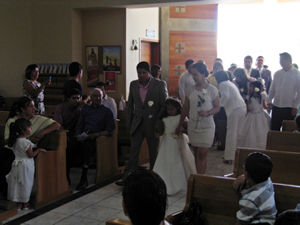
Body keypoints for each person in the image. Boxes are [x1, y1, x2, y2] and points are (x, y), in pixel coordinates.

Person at [115, 61, 168, 186]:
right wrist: (128, 124)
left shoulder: (159, 84)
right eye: (139, 73)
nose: (141, 75)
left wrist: (159, 122)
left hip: (153, 124)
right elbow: (130, 106)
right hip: (137, 123)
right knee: (133, 152)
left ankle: (154, 179)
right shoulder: (133, 84)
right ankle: (127, 178)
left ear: (149, 72)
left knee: (153, 153)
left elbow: (164, 105)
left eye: (144, 73)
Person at [0, 97, 60, 199]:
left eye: (34, 106)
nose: (34, 109)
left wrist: (42, 133)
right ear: (23, 109)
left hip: (24, 153)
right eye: (31, 106)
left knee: (5, 167)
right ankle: (6, 193)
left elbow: (57, 125)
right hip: (12, 149)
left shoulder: (37, 119)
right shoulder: (13, 120)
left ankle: (8, 196)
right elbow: (8, 141)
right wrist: (25, 139)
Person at [67, 88, 115, 190]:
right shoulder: (85, 110)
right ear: (91, 97)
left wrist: (96, 135)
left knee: (86, 147)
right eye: (95, 96)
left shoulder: (107, 111)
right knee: (71, 146)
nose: (98, 98)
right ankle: (66, 175)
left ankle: (84, 178)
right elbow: (79, 126)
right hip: (84, 135)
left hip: (97, 137)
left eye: (99, 96)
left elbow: (110, 130)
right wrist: (78, 135)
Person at [176, 62, 220, 174]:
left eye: (196, 74)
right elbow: (185, 107)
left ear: (204, 74)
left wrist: (208, 112)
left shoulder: (212, 90)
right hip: (193, 125)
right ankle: (197, 177)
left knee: (202, 154)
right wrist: (180, 124)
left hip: (207, 126)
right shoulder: (190, 89)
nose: (194, 77)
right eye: (193, 75)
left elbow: (217, 107)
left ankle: (200, 179)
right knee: (196, 154)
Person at [153, 97, 196, 195]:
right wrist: (159, 133)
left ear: (177, 108)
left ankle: (179, 184)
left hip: (177, 143)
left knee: (177, 161)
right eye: (168, 109)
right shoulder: (165, 118)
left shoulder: (181, 117)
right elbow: (163, 130)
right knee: (165, 161)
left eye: (172, 109)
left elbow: (187, 129)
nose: (170, 111)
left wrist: (182, 131)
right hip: (166, 142)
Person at [6, 118, 46, 210]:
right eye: (29, 127)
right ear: (24, 130)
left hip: (16, 164)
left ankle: (18, 203)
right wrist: (39, 150)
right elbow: (31, 155)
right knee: (26, 183)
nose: (31, 129)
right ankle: (25, 202)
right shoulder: (26, 142)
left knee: (17, 183)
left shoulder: (15, 140)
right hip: (26, 165)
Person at [233, 152, 277, 225]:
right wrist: (244, 177)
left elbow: (240, 223)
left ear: (246, 174)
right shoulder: (268, 181)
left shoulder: (251, 199)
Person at [215, 71, 246, 164]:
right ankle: (238, 155)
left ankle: (229, 157)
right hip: (241, 107)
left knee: (231, 133)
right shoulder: (229, 83)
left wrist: (217, 106)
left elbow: (225, 97)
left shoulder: (222, 84)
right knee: (238, 132)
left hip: (235, 109)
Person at [268, 52, 300, 131]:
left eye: (282, 60)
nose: (280, 62)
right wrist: (269, 100)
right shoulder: (277, 73)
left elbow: (299, 92)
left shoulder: (297, 73)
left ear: (288, 60)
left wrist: (295, 106)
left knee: (288, 130)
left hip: (289, 107)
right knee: (274, 128)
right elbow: (272, 89)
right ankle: (274, 143)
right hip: (277, 105)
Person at [237, 80, 270, 149]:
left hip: (260, 115)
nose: (250, 89)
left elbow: (264, 106)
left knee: (260, 130)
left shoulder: (262, 95)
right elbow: (248, 107)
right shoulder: (249, 96)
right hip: (251, 115)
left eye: (251, 87)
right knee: (250, 131)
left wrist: (270, 106)